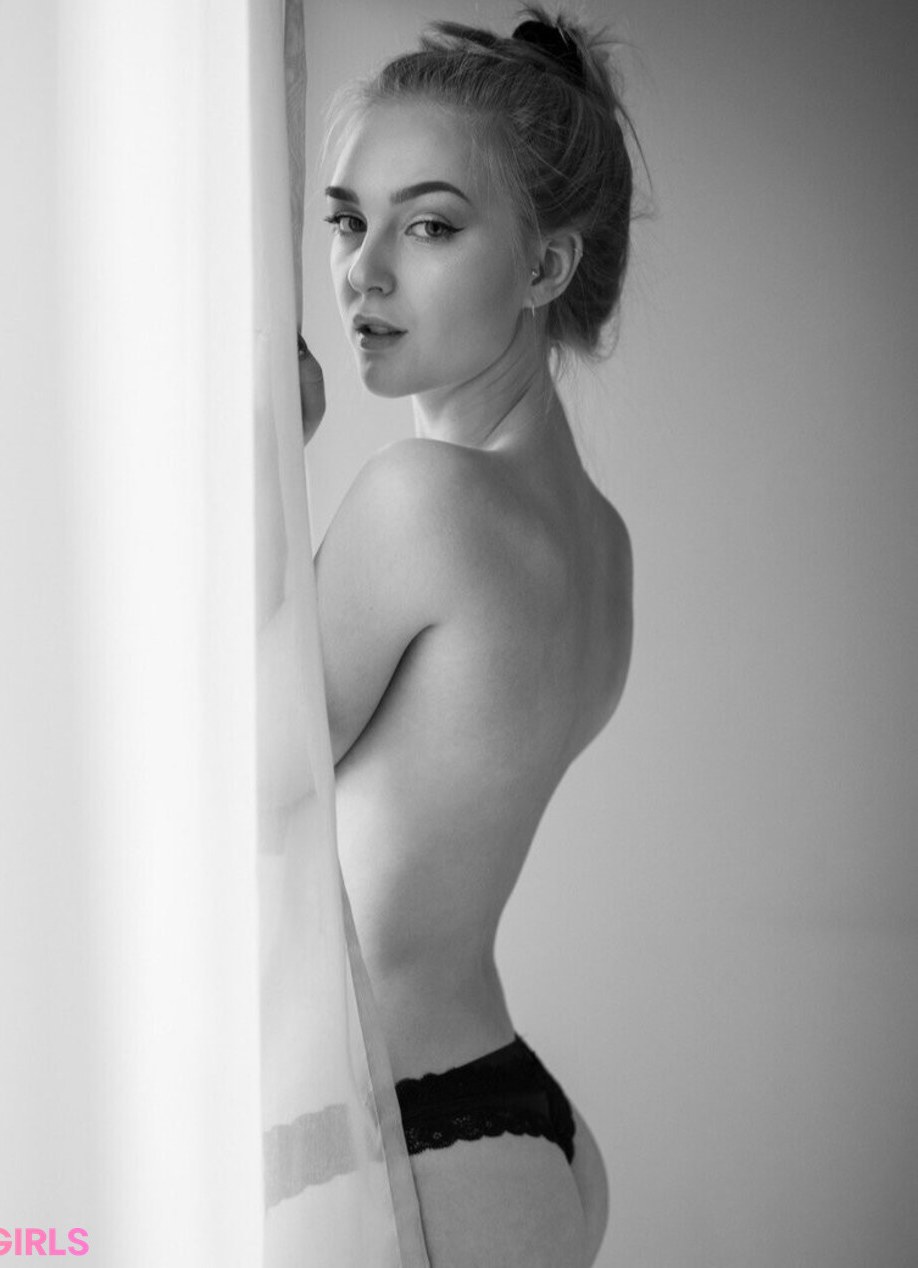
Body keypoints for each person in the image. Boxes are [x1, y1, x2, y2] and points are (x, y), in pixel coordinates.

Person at [297, 9, 638, 1265]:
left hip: (421, 1132)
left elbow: (228, 776)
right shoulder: (600, 537)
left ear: (546, 267)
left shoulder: (424, 498)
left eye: (430, 226)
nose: (364, 272)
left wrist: (265, 453)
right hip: (497, 1120)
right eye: (350, 221)